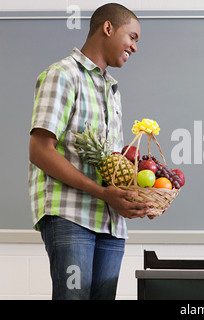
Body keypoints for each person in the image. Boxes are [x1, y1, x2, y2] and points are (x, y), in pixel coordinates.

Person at [28, 3, 152, 299]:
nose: (135, 47)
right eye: (132, 37)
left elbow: (109, 164)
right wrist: (102, 192)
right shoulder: (62, 74)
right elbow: (39, 150)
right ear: (108, 28)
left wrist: (135, 196)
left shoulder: (111, 88)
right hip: (71, 216)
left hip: (111, 222)